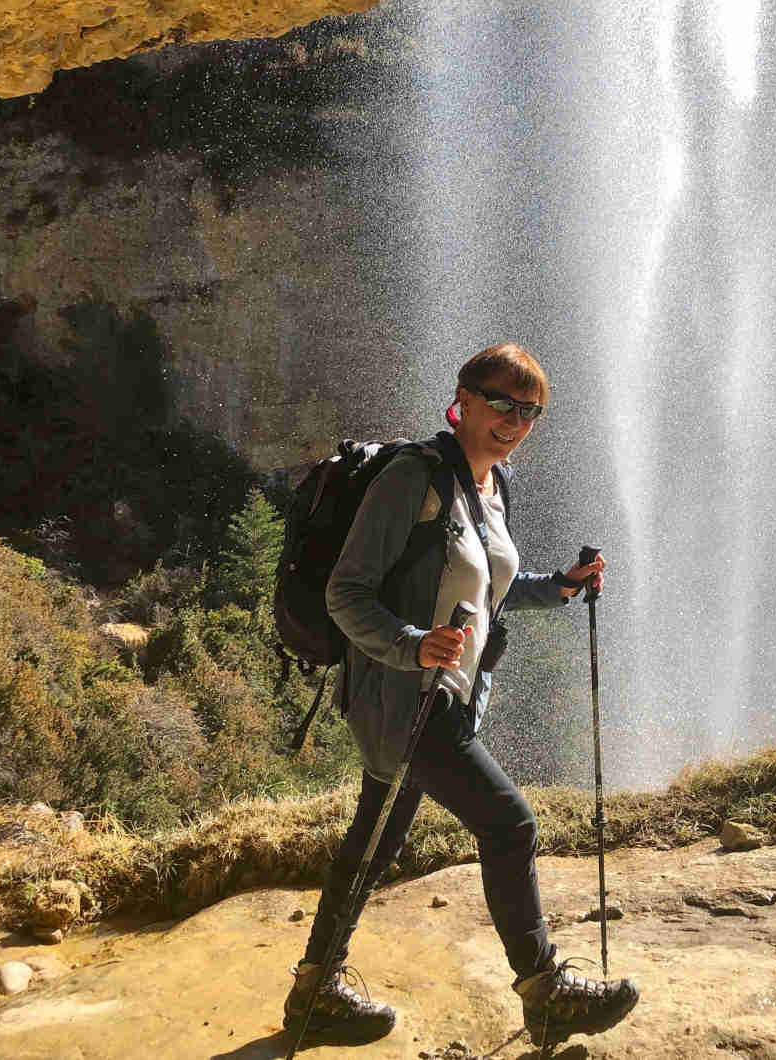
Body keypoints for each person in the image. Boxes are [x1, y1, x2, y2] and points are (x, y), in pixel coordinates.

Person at [283, 343, 640, 1049]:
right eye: (501, 402)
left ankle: (314, 990)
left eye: (530, 410)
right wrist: (412, 643)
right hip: (405, 700)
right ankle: (544, 990)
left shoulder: (493, 485)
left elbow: (488, 590)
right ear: (465, 399)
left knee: (375, 841)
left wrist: (560, 588)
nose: (514, 420)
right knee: (510, 825)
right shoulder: (413, 478)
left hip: (447, 694)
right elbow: (345, 593)